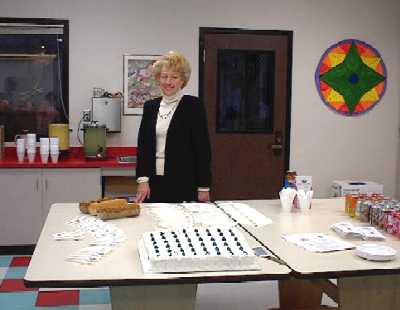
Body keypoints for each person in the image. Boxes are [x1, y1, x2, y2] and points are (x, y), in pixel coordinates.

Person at [135, 51, 212, 203]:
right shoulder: (150, 107)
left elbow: (202, 149)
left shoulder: (193, 106)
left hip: (184, 182)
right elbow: (143, 146)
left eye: (174, 77)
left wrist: (204, 187)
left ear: (183, 80)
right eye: (164, 76)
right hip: (153, 182)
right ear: (158, 78)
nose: (168, 81)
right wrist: (142, 180)